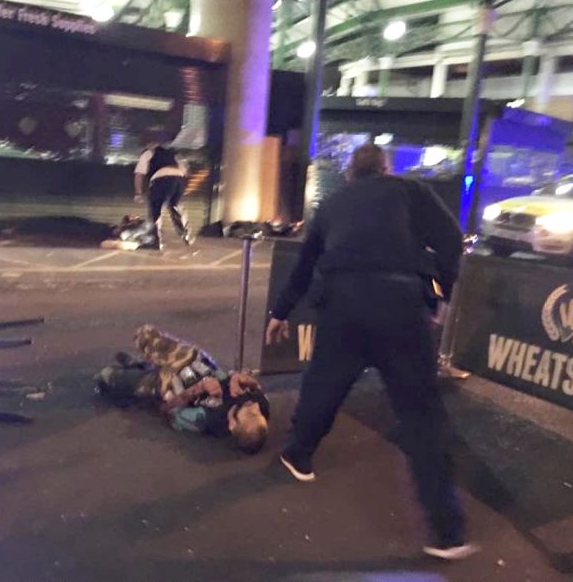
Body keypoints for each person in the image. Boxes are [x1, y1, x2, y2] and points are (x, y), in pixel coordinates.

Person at [264, 143, 476, 560]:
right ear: (385, 168)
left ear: (349, 175)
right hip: (400, 304)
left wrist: (280, 312)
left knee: (323, 384)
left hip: (342, 304)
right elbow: (452, 239)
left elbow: (305, 265)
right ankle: (448, 532)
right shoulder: (410, 190)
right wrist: (437, 293)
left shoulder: (333, 203)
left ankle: (298, 455)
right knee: (420, 415)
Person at [93, 325, 269, 454]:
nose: (253, 405)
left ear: (232, 424)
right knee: (144, 334)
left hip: (169, 383)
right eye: (258, 411)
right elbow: (256, 387)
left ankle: (140, 370)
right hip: (193, 361)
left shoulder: (209, 420)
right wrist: (240, 378)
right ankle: (143, 365)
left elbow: (167, 411)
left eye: (249, 412)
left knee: (105, 376)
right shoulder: (260, 406)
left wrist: (198, 389)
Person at [134, 140, 193, 249]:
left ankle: (156, 240)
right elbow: (186, 171)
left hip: (161, 179)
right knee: (176, 207)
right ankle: (186, 234)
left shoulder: (148, 153)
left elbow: (139, 174)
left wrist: (138, 193)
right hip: (178, 179)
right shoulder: (173, 154)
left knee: (156, 209)